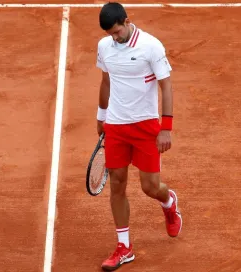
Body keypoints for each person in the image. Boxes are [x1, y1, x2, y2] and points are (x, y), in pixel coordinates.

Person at [95, 2, 183, 271]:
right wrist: (101, 117)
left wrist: (165, 127)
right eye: (110, 34)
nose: (115, 37)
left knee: (150, 187)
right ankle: (124, 248)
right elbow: (106, 81)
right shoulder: (104, 47)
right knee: (117, 184)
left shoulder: (151, 46)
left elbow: (166, 86)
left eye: (117, 31)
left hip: (145, 127)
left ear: (127, 21)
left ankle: (169, 202)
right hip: (117, 125)